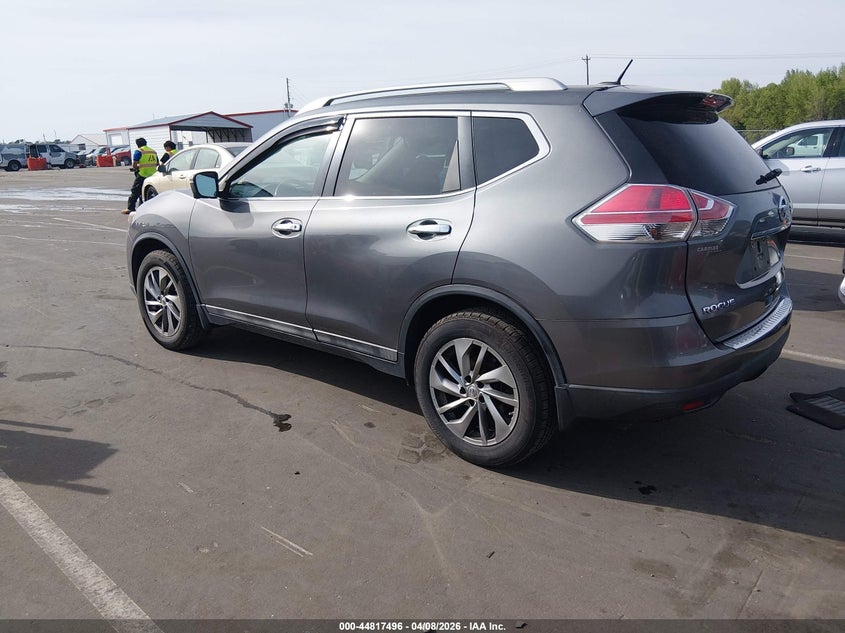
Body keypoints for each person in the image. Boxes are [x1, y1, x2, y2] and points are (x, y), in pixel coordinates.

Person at [122, 138, 158, 215]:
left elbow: (134, 164)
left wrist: (137, 168)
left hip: (142, 174)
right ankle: (143, 206)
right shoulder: (153, 151)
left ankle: (130, 208)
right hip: (153, 175)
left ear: (137, 144)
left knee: (135, 191)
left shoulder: (139, 151)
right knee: (147, 191)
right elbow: (157, 163)